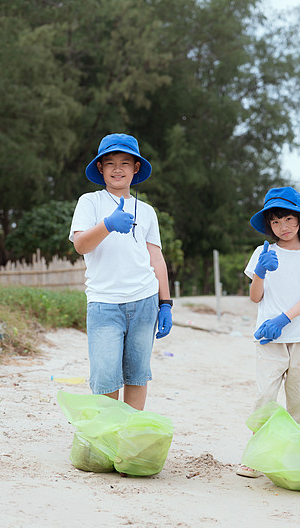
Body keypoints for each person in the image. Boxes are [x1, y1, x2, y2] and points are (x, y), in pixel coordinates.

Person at [69, 133, 173, 411]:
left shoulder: (148, 211)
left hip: (144, 301)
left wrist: (166, 303)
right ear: (100, 168)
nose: (118, 169)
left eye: (125, 163)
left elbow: (156, 258)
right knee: (105, 379)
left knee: (137, 376)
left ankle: (130, 438)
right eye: (110, 163)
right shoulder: (89, 202)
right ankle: (106, 439)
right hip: (104, 303)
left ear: (136, 168)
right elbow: (80, 245)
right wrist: (108, 224)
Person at [236, 186, 300, 478]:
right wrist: (261, 272)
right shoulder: (261, 253)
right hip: (268, 339)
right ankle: (256, 454)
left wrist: (282, 320)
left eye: (289, 219)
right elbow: (254, 297)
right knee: (265, 396)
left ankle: (294, 454)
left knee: (299, 401)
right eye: (275, 221)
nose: (283, 227)